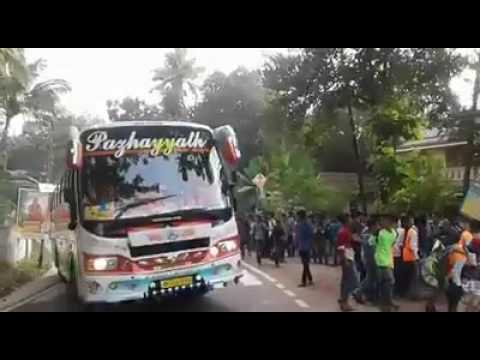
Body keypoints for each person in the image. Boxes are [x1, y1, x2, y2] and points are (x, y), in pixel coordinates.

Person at [445, 218, 474, 312]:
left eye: (465, 223)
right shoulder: (465, 234)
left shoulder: (466, 234)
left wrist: (455, 248)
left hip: (460, 262)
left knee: (455, 284)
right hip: (459, 262)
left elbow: (469, 250)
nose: (463, 225)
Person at [375, 215, 399, 312]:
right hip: (381, 261)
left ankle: (385, 304)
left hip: (389, 261)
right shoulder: (380, 233)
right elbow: (373, 242)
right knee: (389, 281)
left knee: (385, 284)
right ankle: (388, 303)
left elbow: (392, 244)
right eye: (383, 221)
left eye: (386, 221)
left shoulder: (394, 233)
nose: (384, 223)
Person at [337, 214, 360, 311]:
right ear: (346, 220)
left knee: (345, 280)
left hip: (349, 256)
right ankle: (344, 301)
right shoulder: (343, 232)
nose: (351, 220)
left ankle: (343, 300)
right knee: (352, 280)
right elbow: (341, 247)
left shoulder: (346, 230)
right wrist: (344, 259)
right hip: (347, 257)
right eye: (350, 218)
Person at [358, 217, 380, 303]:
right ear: (373, 226)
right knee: (371, 278)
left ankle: (369, 296)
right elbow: (370, 252)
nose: (378, 227)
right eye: (377, 225)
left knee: (371, 278)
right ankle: (359, 292)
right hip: (370, 260)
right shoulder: (369, 237)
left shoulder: (367, 234)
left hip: (369, 259)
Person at [398, 216, 419, 298]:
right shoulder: (413, 232)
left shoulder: (403, 231)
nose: (412, 223)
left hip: (403, 256)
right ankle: (412, 293)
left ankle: (403, 293)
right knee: (413, 276)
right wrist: (416, 256)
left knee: (404, 276)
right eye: (411, 221)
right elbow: (413, 246)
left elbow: (400, 244)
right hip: (411, 257)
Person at [296, 210, 314, 287]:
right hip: (303, 246)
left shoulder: (304, 224)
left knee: (305, 264)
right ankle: (310, 279)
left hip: (305, 247)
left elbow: (310, 235)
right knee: (305, 264)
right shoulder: (305, 224)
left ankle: (304, 281)